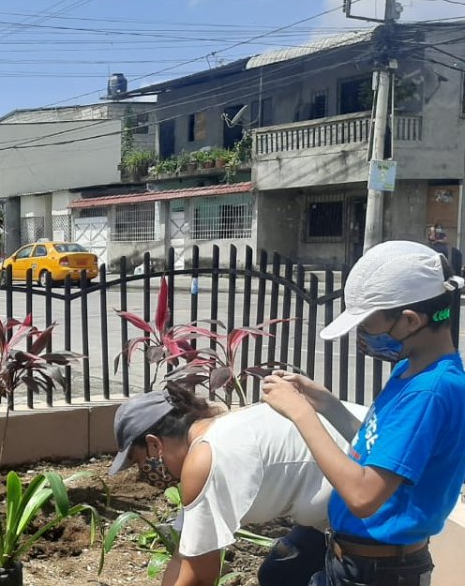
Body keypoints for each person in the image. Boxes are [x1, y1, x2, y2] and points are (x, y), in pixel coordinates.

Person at [263, 240, 465, 586]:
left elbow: (364, 495)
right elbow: (385, 454)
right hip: (358, 562)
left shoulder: (430, 391)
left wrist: (301, 414)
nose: (363, 336)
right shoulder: (412, 370)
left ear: (410, 320)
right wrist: (327, 405)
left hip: (381, 573)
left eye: (368, 325)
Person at [109, 382, 367, 586]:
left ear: (154, 444)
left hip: (378, 496)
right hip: (344, 499)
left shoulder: (206, 459)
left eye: (140, 462)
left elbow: (199, 576)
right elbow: (184, 555)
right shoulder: (214, 432)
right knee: (280, 575)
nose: (144, 473)